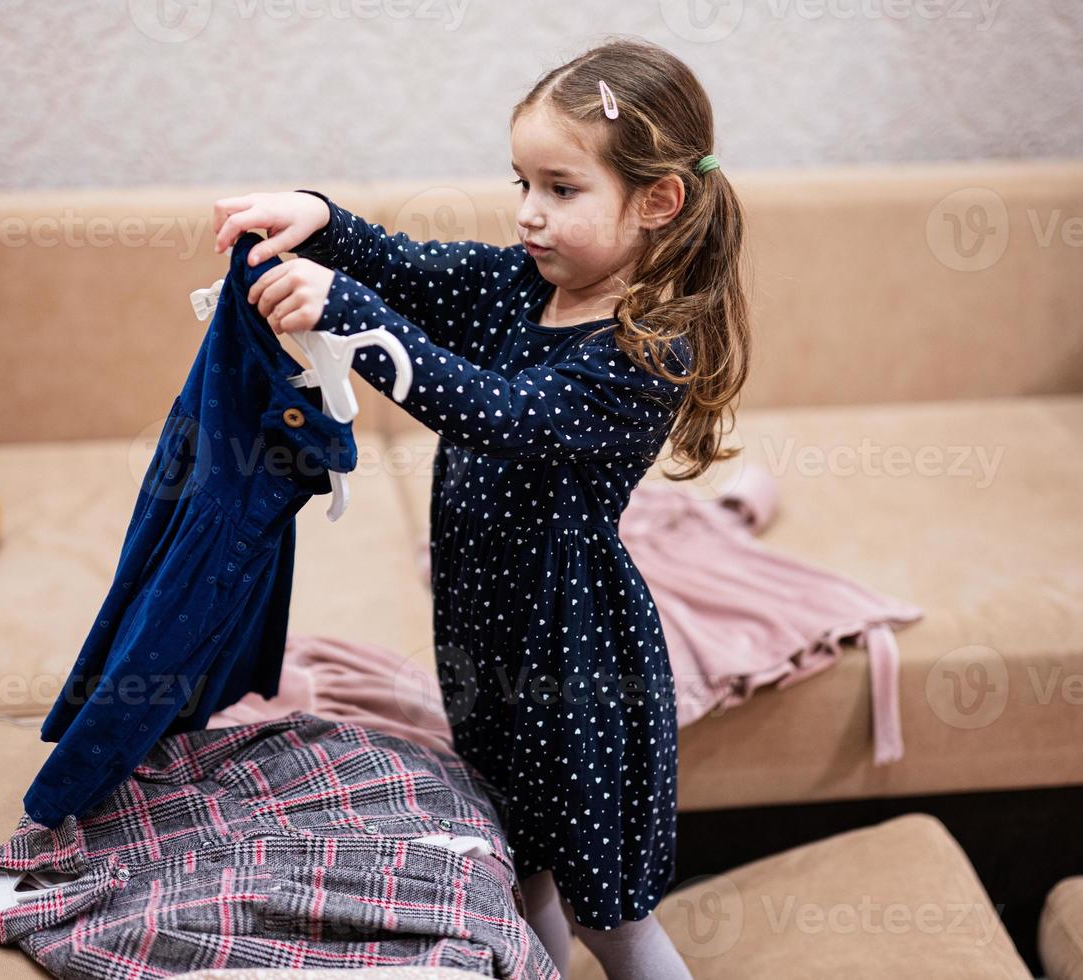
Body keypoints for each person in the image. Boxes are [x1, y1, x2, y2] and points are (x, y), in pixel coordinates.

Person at [212, 35, 750, 980]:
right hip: (479, 634)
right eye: (523, 184)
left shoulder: (647, 349)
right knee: (516, 873)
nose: (531, 216)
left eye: (562, 189)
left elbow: (506, 415)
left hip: (573, 655)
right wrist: (321, 220)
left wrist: (353, 319)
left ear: (658, 201)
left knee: (609, 920)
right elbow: (412, 269)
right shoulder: (519, 284)